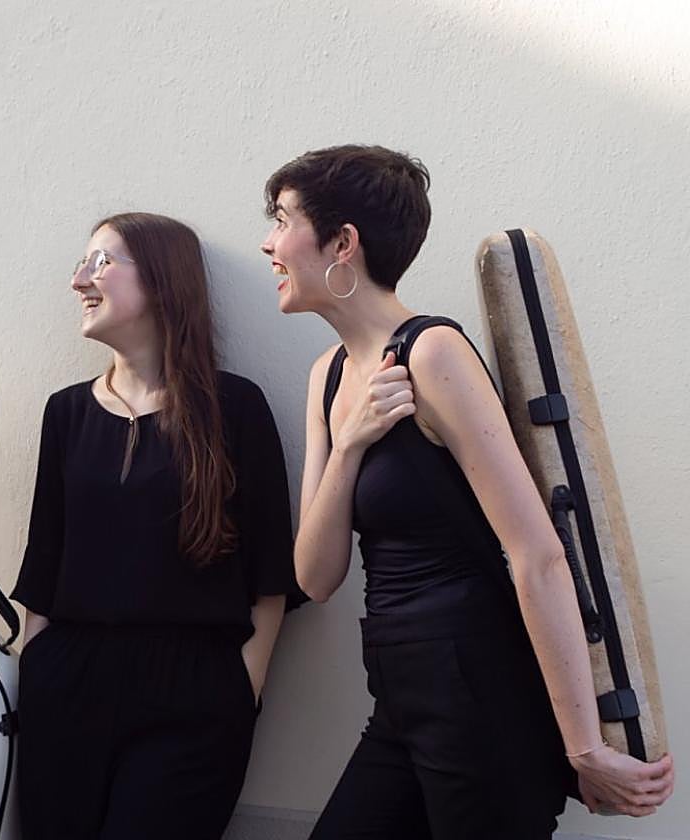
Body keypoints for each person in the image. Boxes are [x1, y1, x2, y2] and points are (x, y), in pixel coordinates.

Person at [260, 145, 675, 838]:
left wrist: (584, 748)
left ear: (342, 243)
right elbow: (315, 575)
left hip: (481, 696)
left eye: (282, 219)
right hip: (397, 698)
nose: (270, 243)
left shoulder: (433, 354)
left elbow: (537, 554)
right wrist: (352, 442)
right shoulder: (328, 375)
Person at [10, 212, 306, 840]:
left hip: (194, 694)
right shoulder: (65, 413)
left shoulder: (236, 407)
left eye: (101, 262)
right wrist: (36, 675)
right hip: (67, 687)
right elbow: (43, 568)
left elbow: (271, 577)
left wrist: (239, 692)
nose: (78, 281)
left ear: (163, 280)